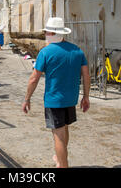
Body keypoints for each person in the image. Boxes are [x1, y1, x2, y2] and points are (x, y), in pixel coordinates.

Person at [22, 17, 91, 168]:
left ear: (52, 32)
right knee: (64, 129)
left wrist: (27, 99)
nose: (46, 34)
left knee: (58, 135)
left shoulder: (46, 52)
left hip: (54, 100)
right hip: (71, 99)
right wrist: (86, 96)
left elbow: (34, 78)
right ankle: (60, 158)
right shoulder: (77, 50)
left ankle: (62, 164)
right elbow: (86, 75)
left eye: (47, 32)